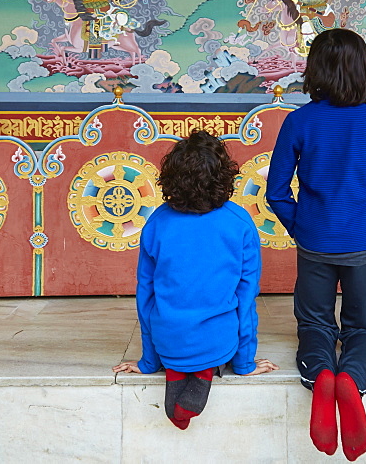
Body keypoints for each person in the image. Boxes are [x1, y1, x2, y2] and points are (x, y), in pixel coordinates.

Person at [266, 28, 366, 460]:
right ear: (364, 69)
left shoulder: (299, 120)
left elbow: (276, 191)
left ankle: (320, 370)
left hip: (315, 242)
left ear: (315, 71)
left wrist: (302, 227)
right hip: (365, 241)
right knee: (364, 325)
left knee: (314, 323)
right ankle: (353, 376)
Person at [112, 130, 278, 429]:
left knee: (174, 338)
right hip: (219, 339)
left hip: (167, 339)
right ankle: (203, 372)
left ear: (171, 178)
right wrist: (244, 363)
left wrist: (149, 362)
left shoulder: (157, 222)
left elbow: (145, 295)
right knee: (217, 333)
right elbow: (245, 298)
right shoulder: (239, 222)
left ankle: (176, 370)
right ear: (225, 177)